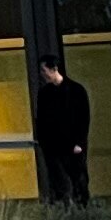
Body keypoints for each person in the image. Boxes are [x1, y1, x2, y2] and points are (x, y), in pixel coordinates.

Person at [32, 57, 97, 203]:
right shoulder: (45, 93)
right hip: (53, 146)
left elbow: (83, 118)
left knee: (78, 181)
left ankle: (81, 208)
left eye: (45, 70)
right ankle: (64, 208)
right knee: (58, 183)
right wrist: (44, 142)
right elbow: (41, 120)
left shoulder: (76, 91)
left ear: (54, 69)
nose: (43, 74)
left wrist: (79, 142)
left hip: (73, 145)